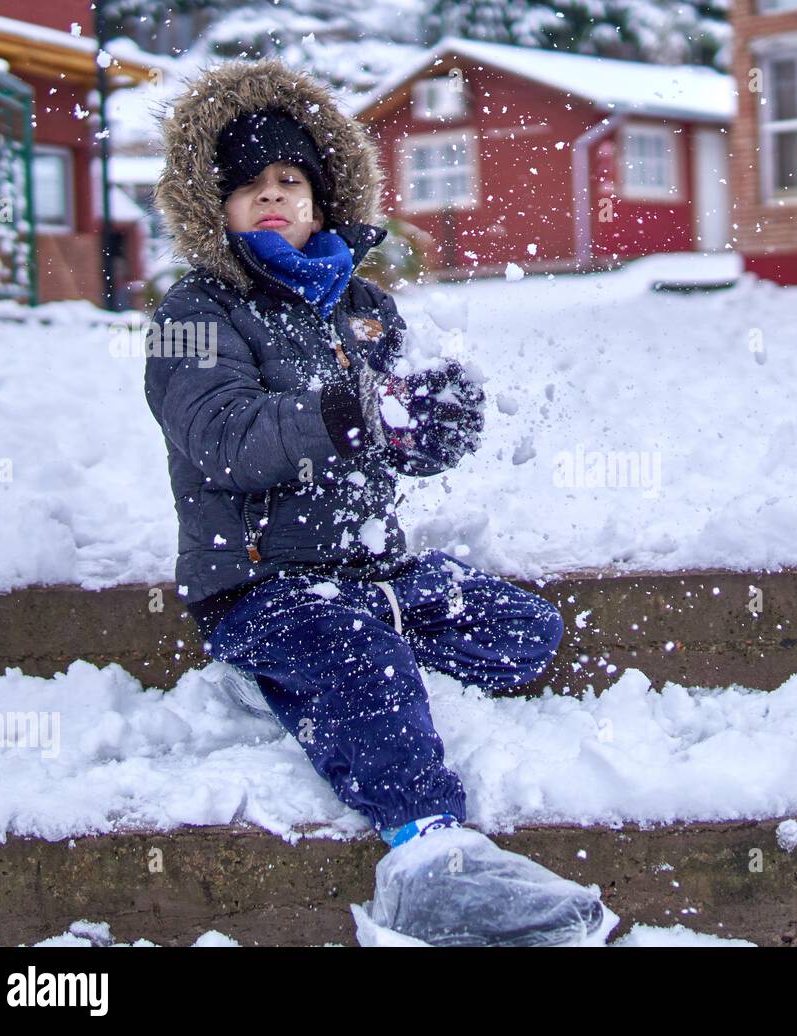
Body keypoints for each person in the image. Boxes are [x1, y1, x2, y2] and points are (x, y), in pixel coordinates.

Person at [144, 58, 604, 946]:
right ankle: (431, 858)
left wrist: (437, 424)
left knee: (521, 632)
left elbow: (399, 433)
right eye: (247, 187)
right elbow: (226, 438)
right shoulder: (195, 313)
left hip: (373, 571)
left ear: (322, 196)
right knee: (361, 657)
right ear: (217, 206)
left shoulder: (363, 306)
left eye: (289, 180)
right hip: (262, 585)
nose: (272, 198)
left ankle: (317, 689)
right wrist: (355, 413)